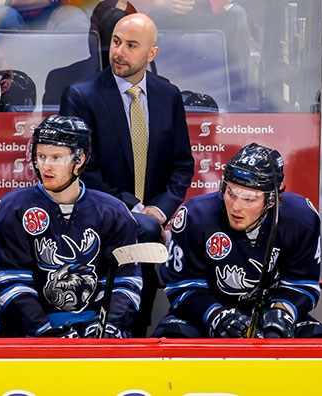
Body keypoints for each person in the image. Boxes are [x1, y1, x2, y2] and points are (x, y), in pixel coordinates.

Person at [59, 13, 194, 337]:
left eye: (131, 45)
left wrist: (159, 210)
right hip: (99, 210)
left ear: (151, 54)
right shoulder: (81, 95)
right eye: (116, 42)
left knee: (157, 228)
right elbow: (82, 168)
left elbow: (181, 165)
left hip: (153, 215)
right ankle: (125, 331)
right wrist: (136, 209)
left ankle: (139, 328)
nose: (118, 52)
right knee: (145, 228)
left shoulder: (168, 95)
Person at [152, 143, 322, 338]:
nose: (236, 207)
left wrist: (281, 312)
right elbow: (183, 285)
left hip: (269, 310)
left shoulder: (301, 218)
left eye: (249, 198)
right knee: (172, 344)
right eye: (231, 193)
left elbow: (302, 283)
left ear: (271, 198)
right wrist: (215, 315)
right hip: (208, 310)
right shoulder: (195, 216)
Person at [0, 115, 142, 338]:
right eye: (41, 156)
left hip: (94, 330)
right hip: (28, 335)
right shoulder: (12, 209)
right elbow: (9, 282)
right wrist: (45, 332)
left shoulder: (113, 212)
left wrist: (106, 326)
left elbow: (124, 281)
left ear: (79, 161)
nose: (45, 166)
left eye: (56, 158)